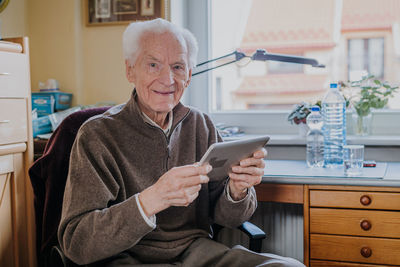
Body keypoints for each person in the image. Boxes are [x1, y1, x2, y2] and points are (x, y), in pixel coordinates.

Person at [58, 18, 304, 267]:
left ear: (188, 75)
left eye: (177, 67)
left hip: (196, 252)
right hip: (127, 257)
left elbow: (228, 218)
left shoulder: (201, 125)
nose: (168, 79)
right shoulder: (97, 135)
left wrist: (238, 190)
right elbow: (77, 243)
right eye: (153, 65)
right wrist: (152, 199)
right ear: (130, 70)